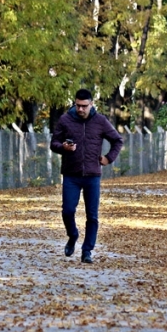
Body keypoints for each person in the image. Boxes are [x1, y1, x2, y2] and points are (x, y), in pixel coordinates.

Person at [50, 89, 124, 264]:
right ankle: (73, 235)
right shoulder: (65, 120)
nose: (81, 109)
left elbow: (117, 140)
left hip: (92, 175)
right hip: (71, 174)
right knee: (68, 211)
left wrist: (108, 158)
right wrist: (63, 148)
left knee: (92, 215)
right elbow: (53, 143)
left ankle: (87, 251)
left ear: (91, 104)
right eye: (78, 106)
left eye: (84, 106)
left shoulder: (100, 121)